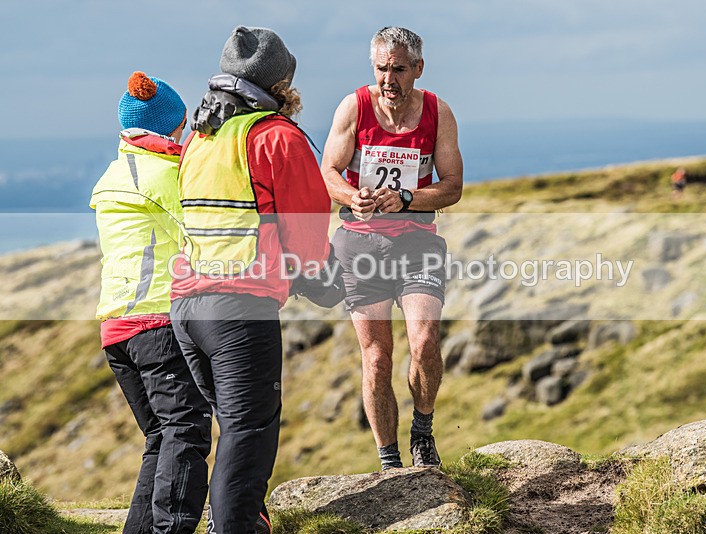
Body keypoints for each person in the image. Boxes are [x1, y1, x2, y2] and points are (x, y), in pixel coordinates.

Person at [169, 26, 334, 534]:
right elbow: (307, 239)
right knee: (248, 432)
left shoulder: (201, 138)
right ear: (281, 83)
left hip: (187, 311)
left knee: (232, 427)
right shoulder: (277, 137)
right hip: (239, 312)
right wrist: (322, 278)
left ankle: (236, 521)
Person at [321, 27, 463, 470]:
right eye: (381, 68)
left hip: (417, 244)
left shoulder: (438, 112)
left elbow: (453, 187)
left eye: (398, 69)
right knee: (378, 359)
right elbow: (328, 171)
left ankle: (422, 430)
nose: (388, 79)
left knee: (425, 340)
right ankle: (389, 462)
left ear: (418, 68)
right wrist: (352, 197)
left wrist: (406, 198)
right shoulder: (354, 107)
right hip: (360, 247)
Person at [89, 72, 212, 534]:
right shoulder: (164, 176)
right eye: (181, 126)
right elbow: (205, 236)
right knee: (186, 429)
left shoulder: (114, 174)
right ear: (171, 126)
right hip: (156, 324)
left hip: (116, 329)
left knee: (161, 435)